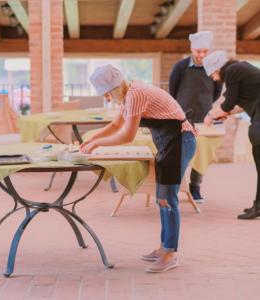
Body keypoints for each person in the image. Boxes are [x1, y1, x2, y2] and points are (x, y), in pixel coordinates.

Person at [81, 64, 196, 272]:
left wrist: (97, 144)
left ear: (116, 87)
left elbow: (127, 135)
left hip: (180, 140)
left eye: (107, 94)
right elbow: (116, 126)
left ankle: (171, 253)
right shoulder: (129, 94)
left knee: (167, 198)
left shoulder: (136, 94)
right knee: (161, 197)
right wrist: (90, 139)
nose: (107, 99)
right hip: (167, 142)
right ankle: (164, 247)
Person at [203, 50, 260, 220]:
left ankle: (258, 206)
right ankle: (258, 205)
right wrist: (223, 113)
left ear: (218, 68)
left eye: (212, 74)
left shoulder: (233, 71)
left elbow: (228, 104)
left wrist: (211, 115)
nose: (214, 79)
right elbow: (238, 104)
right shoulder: (239, 69)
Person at [169, 31, 222, 203]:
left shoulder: (213, 68)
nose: (202, 55)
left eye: (205, 51)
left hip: (204, 118)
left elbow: (216, 93)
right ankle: (176, 186)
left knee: (203, 152)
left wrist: (206, 105)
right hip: (182, 118)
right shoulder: (180, 66)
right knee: (180, 153)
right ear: (192, 49)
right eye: (198, 51)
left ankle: (195, 186)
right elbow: (172, 91)